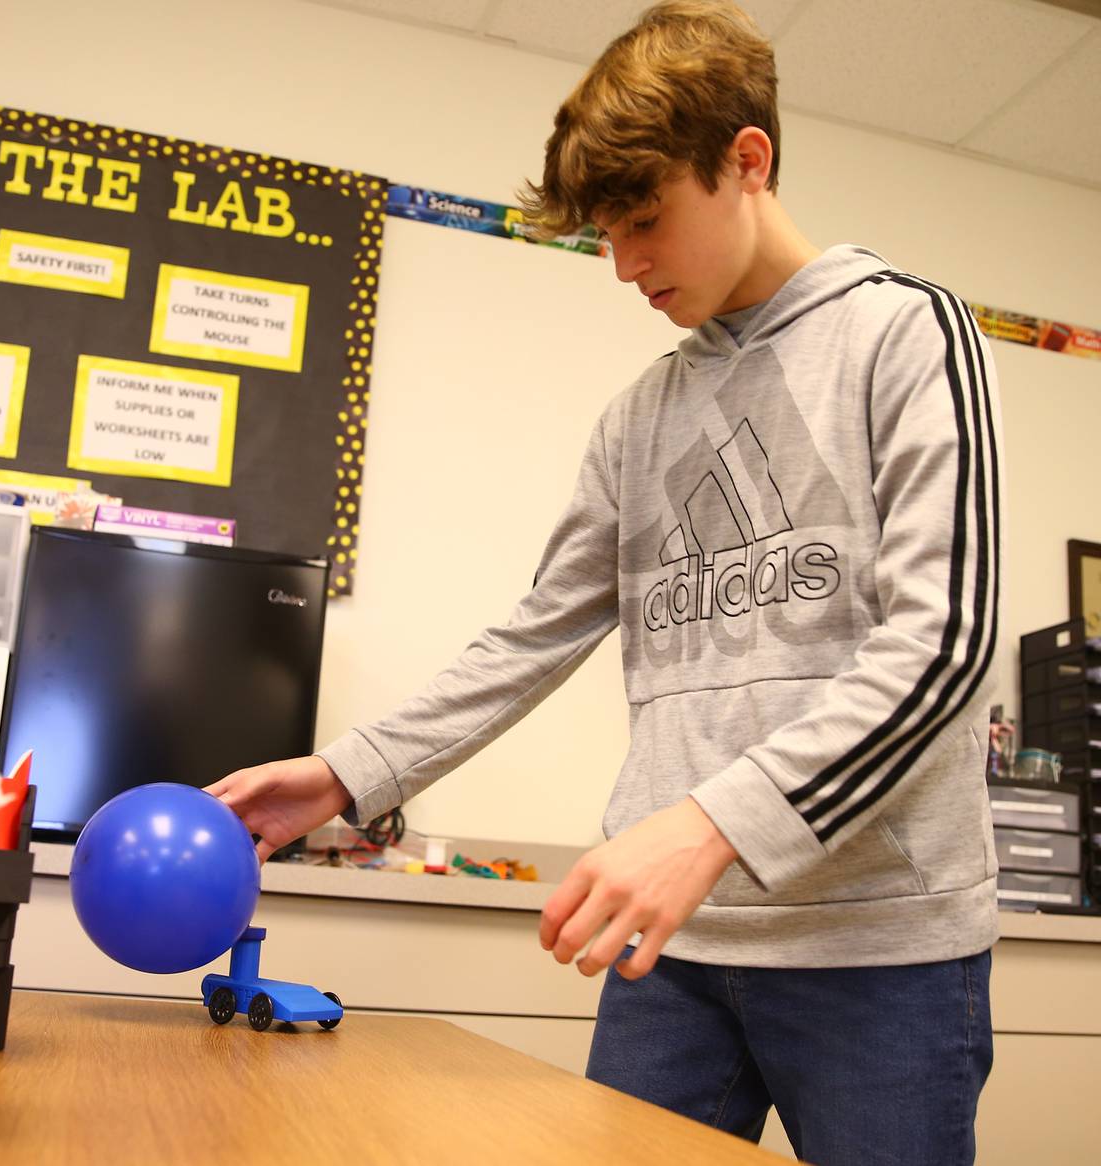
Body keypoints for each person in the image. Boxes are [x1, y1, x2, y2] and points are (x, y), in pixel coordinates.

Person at [206, 3, 1003, 1162]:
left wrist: (712, 824)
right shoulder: (644, 414)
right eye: (607, 237)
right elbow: (536, 632)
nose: (625, 266)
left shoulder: (904, 333)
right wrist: (346, 772)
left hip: (879, 950)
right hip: (670, 952)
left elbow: (947, 645)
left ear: (747, 161)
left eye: (644, 221)